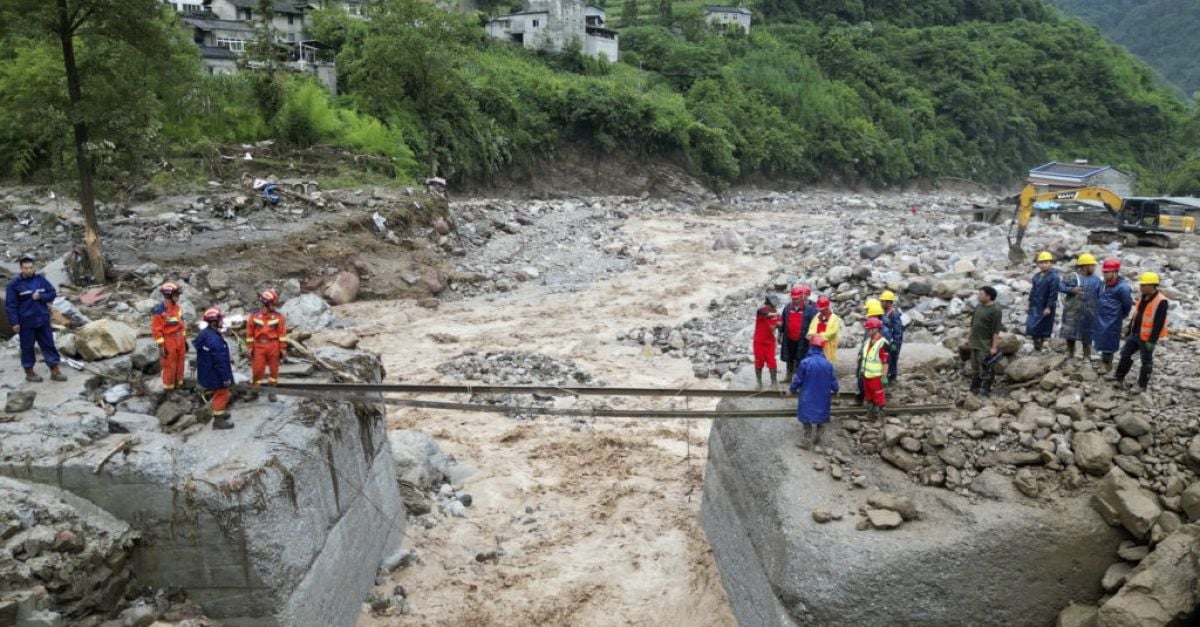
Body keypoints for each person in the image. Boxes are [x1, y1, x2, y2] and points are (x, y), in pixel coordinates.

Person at [5, 255, 67, 382]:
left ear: (34, 268)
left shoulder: (41, 280)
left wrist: (41, 296)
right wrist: (14, 322)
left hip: (42, 319)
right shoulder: (14, 285)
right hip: (26, 322)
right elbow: (11, 305)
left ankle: (55, 370)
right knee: (27, 347)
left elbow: (52, 293)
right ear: (21, 269)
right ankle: (30, 373)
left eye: (31, 268)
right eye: (26, 268)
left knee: (49, 344)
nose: (29, 270)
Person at [1113, 272, 1169, 392]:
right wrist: (1129, 327)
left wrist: (1152, 340)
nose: (1141, 287)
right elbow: (1136, 314)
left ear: (1152, 286)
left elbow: (1159, 323)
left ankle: (1142, 385)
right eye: (1141, 285)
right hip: (1135, 333)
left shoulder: (1161, 301)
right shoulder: (1143, 296)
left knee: (1146, 361)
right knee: (1125, 355)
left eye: (1144, 285)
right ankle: (1119, 379)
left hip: (1147, 338)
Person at [789, 335, 839, 450]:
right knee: (821, 417)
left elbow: (798, 380)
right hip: (823, 396)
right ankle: (818, 440)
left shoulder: (805, 362)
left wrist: (791, 390)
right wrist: (836, 390)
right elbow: (833, 380)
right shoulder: (828, 364)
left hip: (808, 395)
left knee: (806, 417)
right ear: (822, 348)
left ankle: (806, 440)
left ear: (811, 346)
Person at [194, 307, 235, 430]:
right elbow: (219, 362)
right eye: (220, 320)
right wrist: (226, 378)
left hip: (207, 371)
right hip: (215, 373)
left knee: (219, 393)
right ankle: (218, 420)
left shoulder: (205, 334)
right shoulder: (214, 340)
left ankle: (220, 412)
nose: (222, 322)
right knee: (222, 393)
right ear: (214, 322)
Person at [1093, 258, 1133, 375]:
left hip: (1112, 319)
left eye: (1107, 272)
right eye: (1104, 272)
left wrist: (1122, 315)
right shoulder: (1103, 284)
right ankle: (1103, 361)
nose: (1104, 274)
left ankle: (1107, 364)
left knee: (1109, 341)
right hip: (1101, 317)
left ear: (1115, 272)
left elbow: (1127, 304)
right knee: (1101, 339)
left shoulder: (1123, 288)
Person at [1057, 253, 1101, 360]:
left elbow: (1100, 295)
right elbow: (1061, 286)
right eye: (1092, 265)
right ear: (1085, 266)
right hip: (1072, 311)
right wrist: (1071, 290)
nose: (1094, 268)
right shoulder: (1073, 277)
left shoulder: (1096, 280)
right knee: (1070, 333)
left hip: (1089, 312)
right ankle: (1070, 353)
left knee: (1087, 335)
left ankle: (1087, 356)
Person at [247, 289, 287, 402]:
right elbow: (249, 334)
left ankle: (272, 392)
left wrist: (282, 348)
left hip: (273, 345)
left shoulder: (278, 317)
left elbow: (282, 334)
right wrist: (250, 348)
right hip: (258, 346)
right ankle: (254, 392)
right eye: (272, 303)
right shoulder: (254, 316)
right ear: (266, 303)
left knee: (274, 370)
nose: (274, 305)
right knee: (258, 370)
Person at [151, 282, 187, 392]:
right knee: (169, 365)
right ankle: (169, 389)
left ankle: (179, 385)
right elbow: (156, 331)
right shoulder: (159, 311)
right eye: (176, 294)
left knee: (180, 363)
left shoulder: (178, 308)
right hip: (169, 341)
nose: (178, 297)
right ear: (168, 295)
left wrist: (184, 340)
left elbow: (182, 325)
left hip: (179, 339)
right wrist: (161, 346)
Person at [969, 286, 1003, 396]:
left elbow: (995, 330)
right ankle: (975, 387)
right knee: (975, 368)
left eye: (981, 294)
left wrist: (994, 347)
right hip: (974, 342)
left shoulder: (995, 310)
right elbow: (972, 324)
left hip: (985, 344)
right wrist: (968, 338)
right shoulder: (979, 307)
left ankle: (986, 389)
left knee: (985, 368)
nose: (979, 296)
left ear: (988, 296)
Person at [778, 285, 815, 380]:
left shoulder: (809, 310)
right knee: (789, 358)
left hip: (802, 339)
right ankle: (788, 376)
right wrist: (780, 335)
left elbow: (814, 324)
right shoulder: (787, 308)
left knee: (801, 358)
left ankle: (800, 378)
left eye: (797, 299)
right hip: (789, 338)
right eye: (793, 298)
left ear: (801, 297)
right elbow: (783, 322)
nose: (794, 301)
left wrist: (812, 336)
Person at [1026, 251, 1060, 351]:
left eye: (1046, 262)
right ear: (1038, 264)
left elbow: (1053, 293)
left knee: (1043, 326)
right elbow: (1033, 290)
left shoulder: (1054, 277)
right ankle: (1036, 344)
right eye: (1041, 263)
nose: (1044, 265)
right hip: (1035, 304)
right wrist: (1029, 303)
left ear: (1050, 263)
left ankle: (1041, 345)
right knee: (1032, 325)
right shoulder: (1036, 276)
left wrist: (1049, 306)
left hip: (1045, 304)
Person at [860, 317, 890, 420]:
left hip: (876, 376)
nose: (868, 331)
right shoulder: (868, 341)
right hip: (866, 375)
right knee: (869, 396)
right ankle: (870, 416)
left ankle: (881, 419)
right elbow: (865, 357)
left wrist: (884, 377)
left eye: (869, 329)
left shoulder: (882, 343)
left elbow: (885, 362)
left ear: (875, 329)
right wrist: (862, 369)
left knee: (879, 398)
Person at [807, 296, 842, 363]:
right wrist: (811, 334)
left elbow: (832, 333)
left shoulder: (835, 319)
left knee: (827, 363)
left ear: (827, 308)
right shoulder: (817, 316)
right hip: (816, 346)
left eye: (821, 309)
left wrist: (818, 336)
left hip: (828, 348)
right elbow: (812, 327)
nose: (820, 310)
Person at [880, 291, 904, 380]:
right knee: (887, 358)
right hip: (888, 339)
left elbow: (898, 330)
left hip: (894, 341)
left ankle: (892, 376)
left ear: (888, 302)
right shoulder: (885, 312)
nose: (881, 303)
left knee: (893, 358)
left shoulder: (894, 314)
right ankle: (888, 374)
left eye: (883, 301)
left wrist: (895, 343)